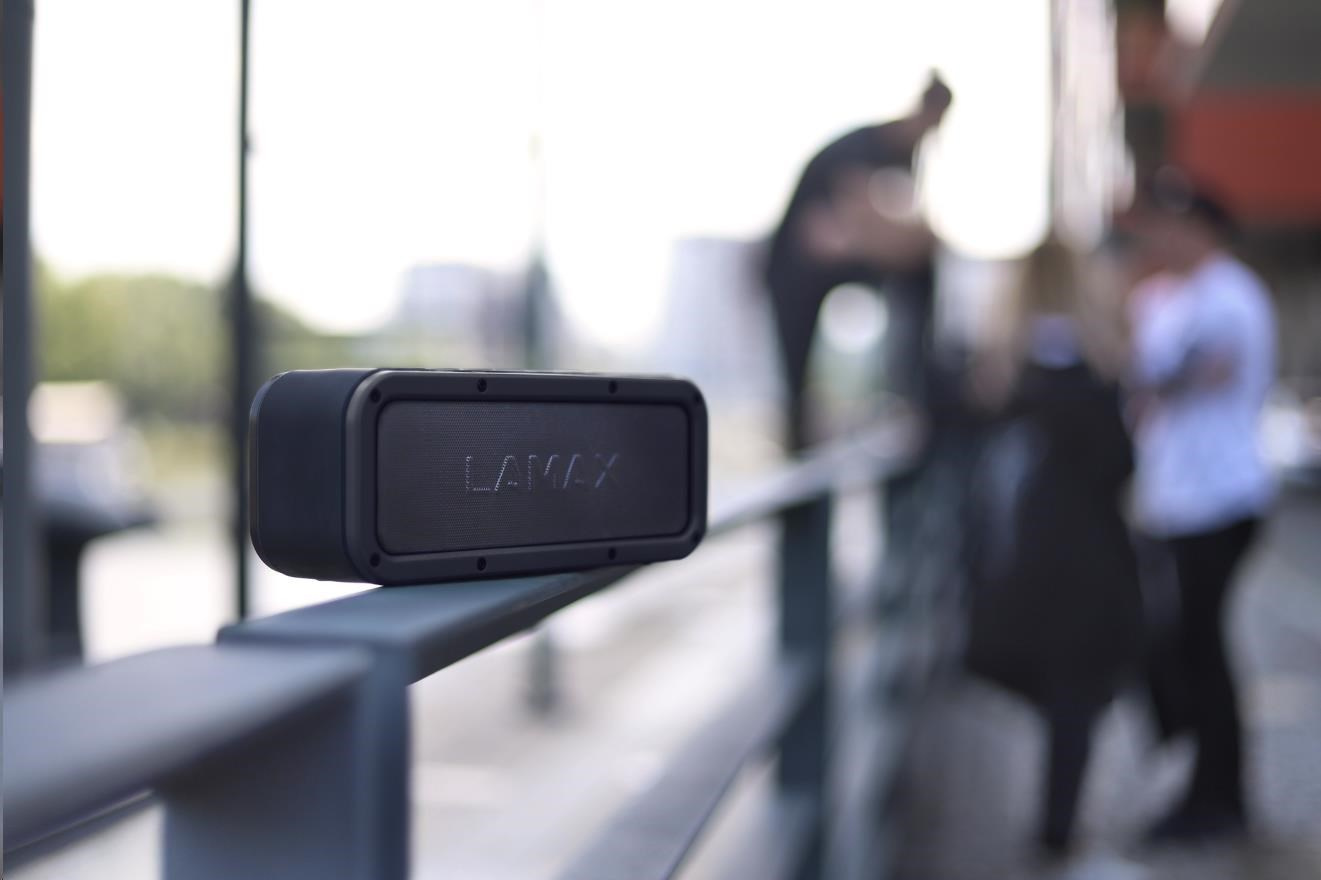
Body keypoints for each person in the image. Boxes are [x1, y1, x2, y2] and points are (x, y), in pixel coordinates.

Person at [963, 239, 1143, 857]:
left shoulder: (999, 372)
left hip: (1014, 557)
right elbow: (1119, 466)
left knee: (1044, 684)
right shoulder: (1100, 367)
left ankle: (1051, 828)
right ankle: (1057, 830)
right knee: (1077, 694)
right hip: (1088, 551)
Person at [1128, 169, 1276, 843]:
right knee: (1183, 649)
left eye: (1172, 223)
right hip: (1173, 501)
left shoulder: (1229, 295)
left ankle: (1218, 800)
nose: (1159, 235)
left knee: (1203, 651)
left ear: (1202, 229)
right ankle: (1204, 790)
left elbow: (1178, 380)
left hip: (1218, 500)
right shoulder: (1164, 297)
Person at [764, 73, 951, 449]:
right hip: (796, 270)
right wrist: (899, 238)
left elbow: (895, 235)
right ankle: (798, 438)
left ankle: (909, 396)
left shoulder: (910, 157)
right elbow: (855, 231)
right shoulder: (864, 147)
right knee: (795, 373)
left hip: (844, 259)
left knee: (919, 272)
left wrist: (903, 240)